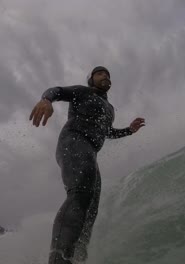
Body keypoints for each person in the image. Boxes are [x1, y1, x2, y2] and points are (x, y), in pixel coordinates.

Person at [29, 66, 145, 264]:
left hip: (90, 152)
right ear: (90, 79)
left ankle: (78, 259)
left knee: (91, 210)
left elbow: (107, 132)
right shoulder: (82, 92)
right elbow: (57, 91)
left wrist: (129, 130)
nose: (105, 76)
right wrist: (46, 100)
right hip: (73, 141)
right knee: (80, 193)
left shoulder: (110, 109)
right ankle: (59, 260)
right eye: (99, 73)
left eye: (107, 74)